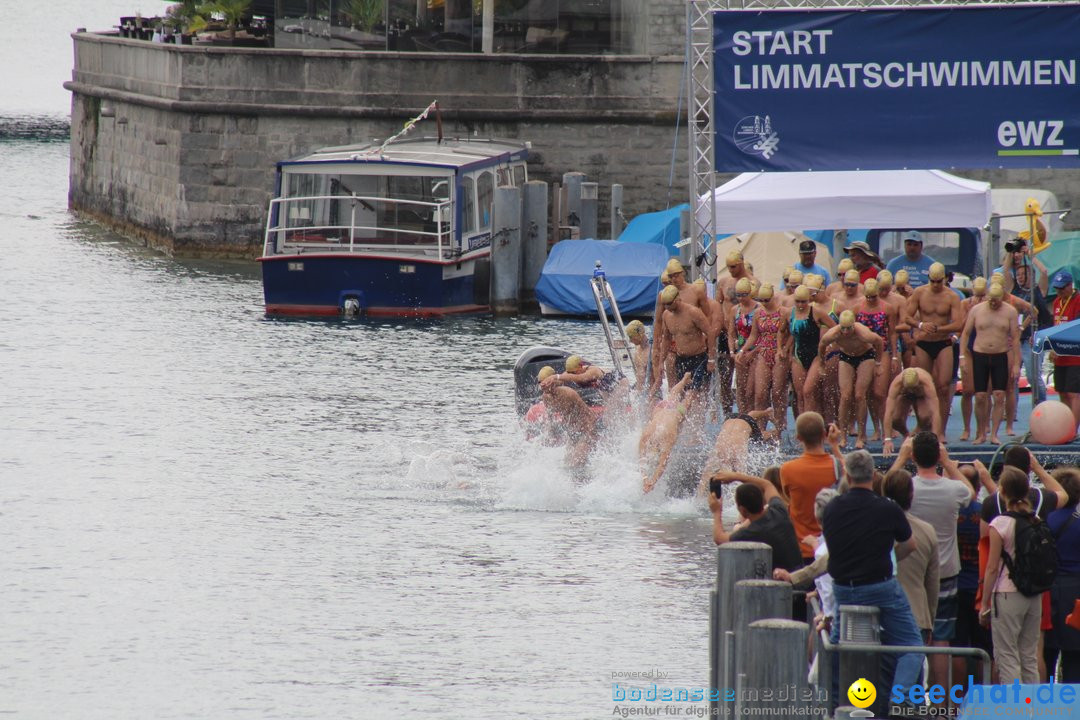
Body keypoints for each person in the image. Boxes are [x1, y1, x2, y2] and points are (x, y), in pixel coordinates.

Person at [822, 449, 924, 700]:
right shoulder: (887, 508)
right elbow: (910, 544)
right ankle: (898, 699)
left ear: (846, 474)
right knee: (912, 645)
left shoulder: (832, 508)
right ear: (873, 474)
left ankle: (834, 700)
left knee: (837, 645)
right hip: (880, 586)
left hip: (844, 587)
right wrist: (886, 557)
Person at [893, 432, 973, 691]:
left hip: (912, 571)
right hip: (946, 570)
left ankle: (909, 698)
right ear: (938, 455)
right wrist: (949, 464)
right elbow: (970, 491)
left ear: (913, 456)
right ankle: (940, 707)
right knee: (941, 640)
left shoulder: (907, 487)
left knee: (910, 634)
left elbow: (884, 489)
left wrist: (900, 457)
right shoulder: (954, 489)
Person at [980, 467, 1044, 684]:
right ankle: (1032, 710)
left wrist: (985, 602)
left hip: (1007, 593)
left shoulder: (1000, 524)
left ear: (1003, 491)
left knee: (1007, 656)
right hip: (1033, 594)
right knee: (1029, 656)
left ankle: (1014, 710)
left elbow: (992, 567)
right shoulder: (1034, 520)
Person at [882, 469, 940, 646]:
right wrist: (929, 620)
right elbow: (932, 583)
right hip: (916, 615)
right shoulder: (927, 531)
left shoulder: (875, 529)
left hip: (882, 615)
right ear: (911, 495)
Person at [708, 470, 804, 573]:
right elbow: (767, 485)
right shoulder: (778, 510)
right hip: (800, 572)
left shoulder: (751, 532)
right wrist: (735, 476)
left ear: (743, 510)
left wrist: (717, 512)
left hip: (784, 582)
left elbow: (720, 539)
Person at [904, 262, 963, 431]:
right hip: (924, 343)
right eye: (933, 281)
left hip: (943, 343)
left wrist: (939, 328)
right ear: (929, 279)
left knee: (943, 387)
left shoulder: (952, 296)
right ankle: (924, 425)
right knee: (923, 386)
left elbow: (958, 324)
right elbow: (907, 318)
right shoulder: (920, 293)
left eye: (939, 281)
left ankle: (940, 430)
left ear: (945, 278)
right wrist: (921, 325)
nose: (936, 285)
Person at [959, 283, 1020, 445]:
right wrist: (962, 357)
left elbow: (1015, 339)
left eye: (996, 300)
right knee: (980, 396)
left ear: (1002, 298)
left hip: (1000, 355)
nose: (993, 303)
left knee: (999, 396)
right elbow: (965, 334)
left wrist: (1015, 364)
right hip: (980, 355)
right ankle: (981, 433)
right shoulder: (977, 310)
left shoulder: (1010, 311)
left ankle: (994, 434)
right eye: (991, 300)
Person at [818, 310, 884, 449]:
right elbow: (822, 345)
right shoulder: (833, 333)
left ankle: (861, 435)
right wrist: (822, 364)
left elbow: (879, 341)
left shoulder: (863, 333)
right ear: (839, 326)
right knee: (845, 396)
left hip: (865, 355)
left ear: (854, 325)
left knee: (860, 395)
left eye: (849, 328)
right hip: (846, 357)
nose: (846, 332)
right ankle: (843, 436)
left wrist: (878, 363)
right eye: (843, 328)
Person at [653, 284, 716, 408]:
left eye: (669, 303)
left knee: (694, 395)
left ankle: (699, 425)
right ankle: (683, 424)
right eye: (664, 304)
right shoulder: (666, 315)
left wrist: (711, 359)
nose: (667, 307)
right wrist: (661, 362)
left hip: (698, 359)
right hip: (681, 359)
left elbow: (710, 333)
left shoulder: (693, 312)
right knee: (682, 393)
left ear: (677, 299)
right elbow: (666, 339)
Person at [780, 285, 835, 416]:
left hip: (816, 356)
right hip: (797, 357)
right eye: (797, 301)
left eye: (803, 301)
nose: (800, 304)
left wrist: (830, 345)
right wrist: (780, 349)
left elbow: (835, 328)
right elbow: (781, 332)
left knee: (808, 391)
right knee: (800, 395)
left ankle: (813, 426)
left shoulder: (817, 312)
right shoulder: (789, 313)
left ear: (809, 300)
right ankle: (803, 428)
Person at [1047, 467, 1080, 683]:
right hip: (1076, 590)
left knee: (1046, 652)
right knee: (1075, 655)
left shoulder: (1046, 519)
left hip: (1048, 589)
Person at [857, 278, 900, 442]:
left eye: (873, 297)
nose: (870, 300)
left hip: (884, 352)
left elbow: (893, 333)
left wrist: (895, 355)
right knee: (867, 393)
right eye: (867, 297)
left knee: (880, 393)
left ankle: (886, 427)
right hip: (864, 352)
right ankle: (875, 428)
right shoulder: (857, 308)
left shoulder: (887, 308)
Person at [742, 283, 789, 430]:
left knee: (777, 393)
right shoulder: (758, 313)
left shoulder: (785, 312)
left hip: (779, 354)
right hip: (763, 353)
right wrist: (743, 350)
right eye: (760, 300)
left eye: (766, 300)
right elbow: (754, 335)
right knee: (760, 394)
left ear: (773, 297)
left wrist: (785, 349)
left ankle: (779, 428)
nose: (763, 303)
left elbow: (792, 333)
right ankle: (760, 429)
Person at [640, 373, 693, 493]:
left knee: (686, 402)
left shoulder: (667, 437)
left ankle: (690, 388)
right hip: (665, 409)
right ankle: (685, 380)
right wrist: (646, 480)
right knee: (673, 395)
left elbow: (661, 465)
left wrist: (651, 481)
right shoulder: (646, 436)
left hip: (668, 409)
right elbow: (645, 461)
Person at [699, 408, 777, 485]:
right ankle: (768, 415)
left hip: (732, 421)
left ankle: (773, 426)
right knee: (740, 476)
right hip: (731, 420)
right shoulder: (730, 453)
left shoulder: (723, 453)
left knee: (706, 475)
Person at [882, 367, 941, 454]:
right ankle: (906, 434)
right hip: (905, 395)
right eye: (909, 388)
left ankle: (919, 432)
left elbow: (935, 413)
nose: (912, 390)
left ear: (918, 382)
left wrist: (936, 440)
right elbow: (888, 413)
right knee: (895, 419)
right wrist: (887, 439)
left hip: (921, 396)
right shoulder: (896, 384)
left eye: (914, 388)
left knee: (926, 418)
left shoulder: (927, 384)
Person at [958, 278, 988, 441]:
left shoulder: (992, 302)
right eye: (977, 295)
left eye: (982, 296)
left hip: (985, 349)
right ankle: (967, 428)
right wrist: (972, 310)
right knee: (968, 390)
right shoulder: (965, 303)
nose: (979, 298)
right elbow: (961, 327)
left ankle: (982, 429)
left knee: (984, 392)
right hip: (970, 348)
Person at [1051, 270, 1080, 425]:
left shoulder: (1078, 300)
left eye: (1062, 288)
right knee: (1061, 391)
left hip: (1075, 356)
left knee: (1073, 393)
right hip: (1059, 357)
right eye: (1057, 288)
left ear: (1070, 285)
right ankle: (1066, 425)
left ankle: (1074, 428)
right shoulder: (1056, 302)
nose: (1059, 291)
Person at [729, 277, 760, 414]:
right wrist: (732, 352)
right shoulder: (735, 310)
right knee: (741, 389)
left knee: (750, 390)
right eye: (738, 295)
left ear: (750, 293)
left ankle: (753, 418)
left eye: (744, 295)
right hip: (740, 353)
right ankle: (743, 417)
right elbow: (731, 333)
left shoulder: (759, 309)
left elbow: (763, 335)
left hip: (757, 352)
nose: (741, 298)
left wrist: (753, 352)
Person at [625, 319, 651, 390]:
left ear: (639, 335)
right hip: (638, 386)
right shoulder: (637, 348)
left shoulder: (651, 351)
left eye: (631, 337)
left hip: (649, 388)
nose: (630, 340)